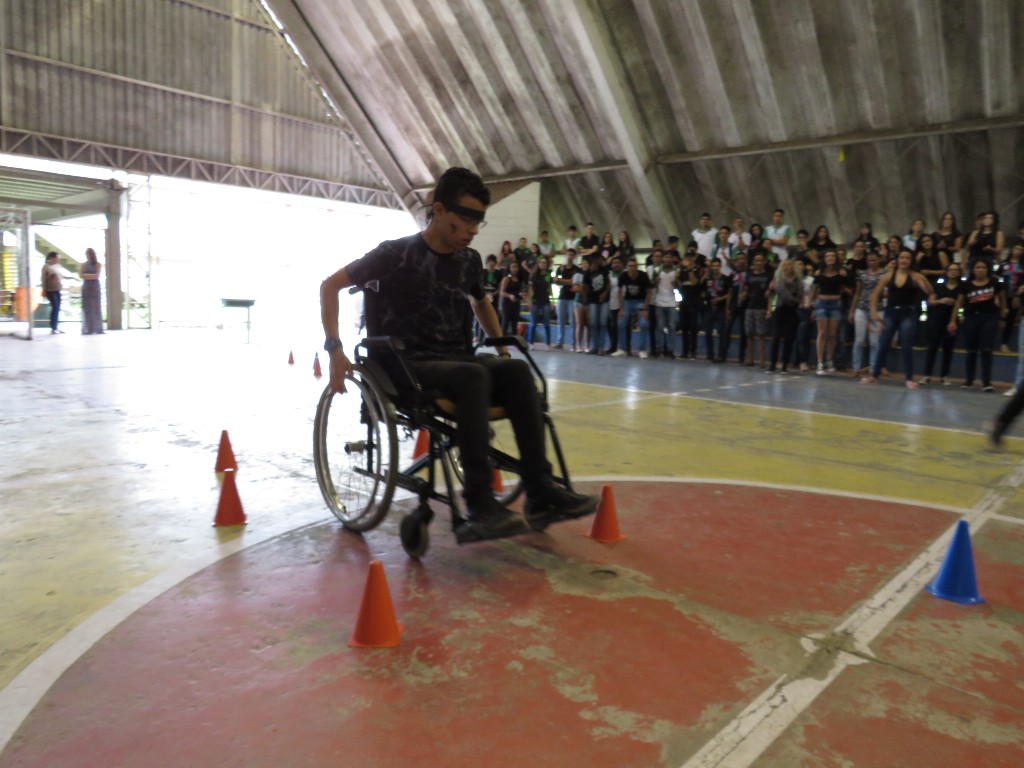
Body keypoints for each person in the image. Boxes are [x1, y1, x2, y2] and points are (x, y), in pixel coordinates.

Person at [319, 167, 597, 543]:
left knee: (515, 371)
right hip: (404, 363)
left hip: (455, 360)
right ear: (438, 210)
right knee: (472, 376)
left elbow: (481, 303)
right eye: (465, 219)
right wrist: (335, 349)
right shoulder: (394, 254)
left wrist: (501, 348)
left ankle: (541, 490)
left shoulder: (468, 261)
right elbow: (330, 286)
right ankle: (479, 505)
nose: (473, 229)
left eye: (478, 220)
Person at [861, 250, 935, 389]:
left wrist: (925, 288)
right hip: (891, 312)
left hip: (908, 313)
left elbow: (930, 291)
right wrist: (873, 312)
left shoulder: (916, 276)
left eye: (907, 258)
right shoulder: (889, 275)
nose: (904, 260)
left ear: (911, 261)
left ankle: (909, 378)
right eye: (902, 257)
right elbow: (875, 294)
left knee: (906, 345)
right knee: (883, 344)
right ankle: (874, 375)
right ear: (898, 259)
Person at [955, 259, 1005, 391]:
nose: (981, 270)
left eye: (983, 267)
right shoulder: (966, 285)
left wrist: (1002, 317)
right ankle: (969, 380)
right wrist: (954, 319)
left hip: (989, 317)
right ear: (973, 270)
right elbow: (959, 302)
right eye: (978, 267)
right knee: (971, 350)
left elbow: (1002, 300)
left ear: (988, 269)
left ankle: (986, 382)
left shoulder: (995, 283)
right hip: (971, 318)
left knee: (986, 349)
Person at [922, 262, 963, 386]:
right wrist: (941, 301)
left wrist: (953, 321)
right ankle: (927, 375)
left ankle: (944, 376)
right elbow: (930, 302)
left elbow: (959, 305)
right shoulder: (938, 286)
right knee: (932, 347)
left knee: (948, 348)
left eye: (956, 270)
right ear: (946, 272)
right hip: (936, 319)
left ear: (959, 273)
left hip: (951, 321)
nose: (953, 272)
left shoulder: (961, 288)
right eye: (951, 269)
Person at [848, 251, 885, 377]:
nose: (872, 262)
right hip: (861, 308)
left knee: (874, 341)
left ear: (879, 260)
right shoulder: (861, 274)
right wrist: (852, 310)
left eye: (874, 260)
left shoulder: (885, 273)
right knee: (859, 340)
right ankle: (856, 368)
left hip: (878, 309)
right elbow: (857, 292)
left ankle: (873, 369)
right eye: (869, 260)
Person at [811, 250, 846, 375]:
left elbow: (843, 288)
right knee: (822, 333)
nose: (830, 258)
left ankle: (829, 360)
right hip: (822, 303)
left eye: (832, 255)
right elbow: (814, 289)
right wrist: (812, 304)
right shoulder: (818, 273)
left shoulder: (841, 273)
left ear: (836, 258)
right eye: (827, 256)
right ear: (824, 259)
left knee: (832, 334)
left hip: (835, 304)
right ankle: (820, 362)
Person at [766, 257, 803, 373]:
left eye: (789, 265)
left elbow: (799, 298)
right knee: (776, 337)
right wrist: (769, 309)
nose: (786, 267)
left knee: (789, 338)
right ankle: (772, 365)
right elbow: (770, 294)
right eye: (784, 265)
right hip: (779, 310)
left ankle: (785, 366)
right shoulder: (777, 279)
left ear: (793, 267)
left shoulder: (798, 281)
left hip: (792, 311)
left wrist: (784, 295)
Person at [553, 248, 580, 349]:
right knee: (560, 321)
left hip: (572, 298)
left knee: (573, 322)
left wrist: (560, 280)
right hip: (562, 297)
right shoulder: (560, 268)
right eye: (568, 254)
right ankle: (560, 342)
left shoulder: (576, 269)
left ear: (574, 257)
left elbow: (572, 282)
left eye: (571, 255)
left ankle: (573, 344)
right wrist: (559, 281)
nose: (569, 257)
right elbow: (555, 281)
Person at [527, 256, 553, 347]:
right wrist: (529, 301)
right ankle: (531, 343)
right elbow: (530, 289)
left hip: (546, 301)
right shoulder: (533, 275)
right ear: (538, 264)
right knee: (533, 323)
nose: (543, 264)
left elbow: (550, 289)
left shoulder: (548, 275)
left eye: (545, 263)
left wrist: (552, 301)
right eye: (541, 262)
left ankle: (548, 343)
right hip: (535, 301)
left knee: (547, 323)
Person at [79, 247, 104, 335]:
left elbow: (96, 275)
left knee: (96, 306)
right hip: (86, 286)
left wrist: (87, 275)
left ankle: (97, 328)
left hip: (95, 286)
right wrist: (90, 276)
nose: (88, 256)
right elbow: (81, 275)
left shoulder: (98, 264)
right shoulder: (83, 265)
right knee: (87, 307)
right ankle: (88, 328)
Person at [498, 260, 525, 335]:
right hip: (506, 303)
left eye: (516, 267)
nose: (514, 269)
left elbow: (521, 290)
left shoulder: (520, 279)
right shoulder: (506, 279)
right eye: (512, 267)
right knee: (505, 323)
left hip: (516, 303)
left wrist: (522, 294)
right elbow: (501, 292)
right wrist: (510, 295)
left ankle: (514, 340)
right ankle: (502, 340)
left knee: (515, 323)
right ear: (509, 268)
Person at [41, 251, 63, 335]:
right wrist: (44, 289)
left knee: (57, 308)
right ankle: (53, 327)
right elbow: (43, 279)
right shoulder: (46, 267)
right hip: (50, 290)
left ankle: (55, 327)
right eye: (57, 258)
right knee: (55, 307)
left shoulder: (56, 267)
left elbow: (60, 277)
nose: (58, 260)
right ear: (51, 258)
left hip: (57, 289)